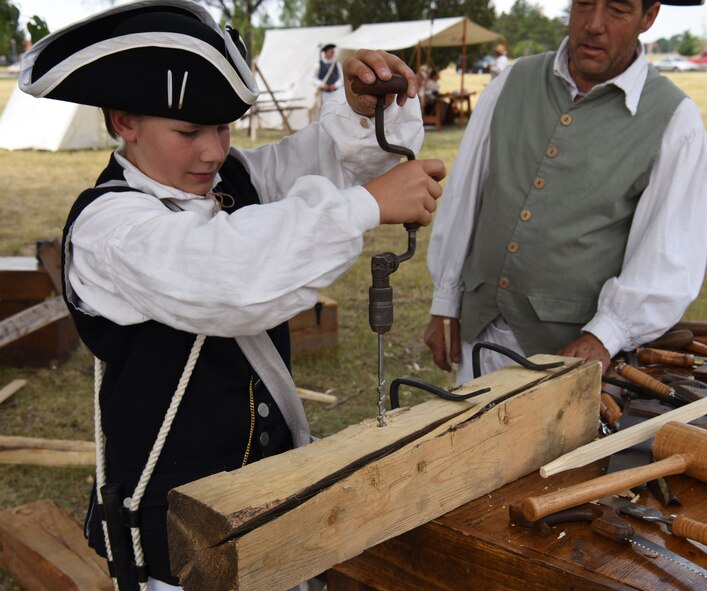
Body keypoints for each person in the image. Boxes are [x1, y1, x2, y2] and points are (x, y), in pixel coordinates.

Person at [18, 2, 444, 590]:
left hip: (262, 512)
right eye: (189, 132)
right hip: (173, 546)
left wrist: (360, 110)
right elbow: (230, 274)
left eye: (223, 128)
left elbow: (316, 163)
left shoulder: (230, 178)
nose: (213, 152)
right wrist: (367, 205)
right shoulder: (108, 229)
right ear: (124, 121)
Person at [425, 0, 707, 386]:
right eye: (584, 4)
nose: (593, 25)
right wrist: (446, 298)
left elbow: (668, 253)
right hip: (482, 334)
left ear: (648, 17)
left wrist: (605, 334)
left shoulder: (675, 121)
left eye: (617, 10)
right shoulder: (513, 81)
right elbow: (464, 195)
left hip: (571, 356)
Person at [311, 43, 344, 108]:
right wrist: (322, 84)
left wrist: (335, 85)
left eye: (333, 52)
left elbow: (342, 77)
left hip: (335, 92)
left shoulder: (336, 63)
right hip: (324, 93)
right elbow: (313, 78)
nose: (332, 53)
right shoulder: (318, 64)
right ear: (326, 53)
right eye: (331, 51)